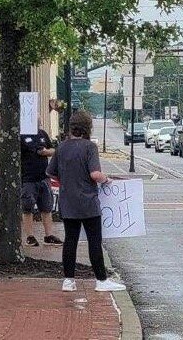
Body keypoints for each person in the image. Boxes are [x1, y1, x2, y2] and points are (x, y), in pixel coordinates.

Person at [46, 110, 126, 292]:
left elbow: (50, 172)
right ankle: (101, 280)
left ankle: (68, 280)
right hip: (88, 202)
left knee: (70, 240)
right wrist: (106, 179)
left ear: (71, 127)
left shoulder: (61, 147)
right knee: (94, 241)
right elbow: (95, 174)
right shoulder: (89, 147)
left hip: (68, 202)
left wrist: (67, 177)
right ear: (87, 127)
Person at [20, 124, 62, 247]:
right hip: (28, 178)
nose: (37, 121)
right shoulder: (22, 135)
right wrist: (43, 152)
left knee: (46, 207)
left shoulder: (42, 134)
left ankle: (49, 235)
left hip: (44, 177)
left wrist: (46, 152)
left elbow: (53, 150)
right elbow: (37, 151)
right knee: (28, 207)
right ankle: (30, 236)